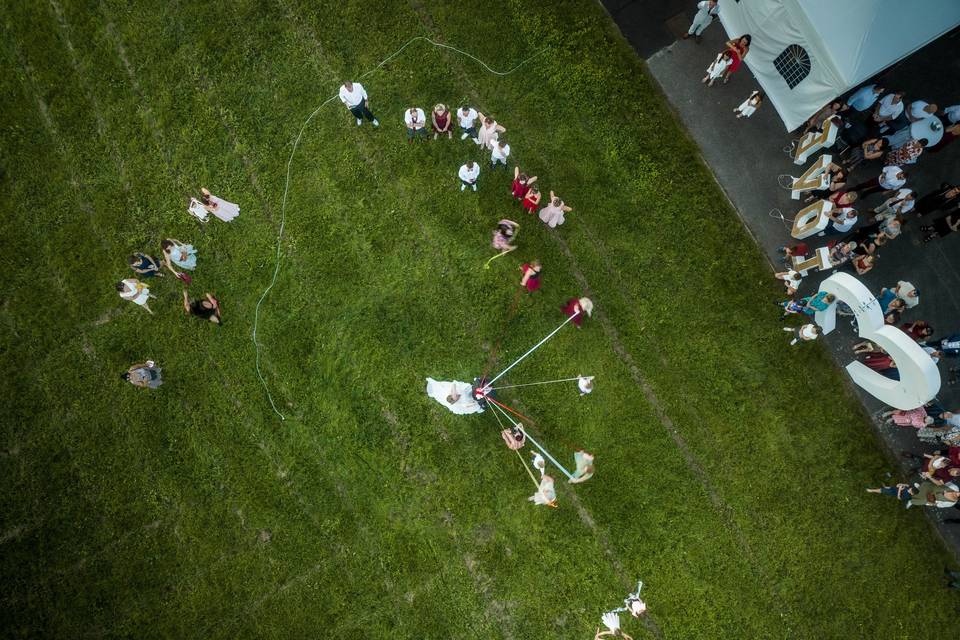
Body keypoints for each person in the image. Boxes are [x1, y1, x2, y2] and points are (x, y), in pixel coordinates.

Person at [867, 481, 960, 508]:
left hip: (932, 498)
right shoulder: (955, 488)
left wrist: (931, 502)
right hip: (933, 489)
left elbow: (939, 505)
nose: (957, 493)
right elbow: (944, 484)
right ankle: (918, 488)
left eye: (958, 495)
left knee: (919, 500)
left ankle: (912, 501)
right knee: (923, 487)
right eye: (958, 492)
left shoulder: (951, 503)